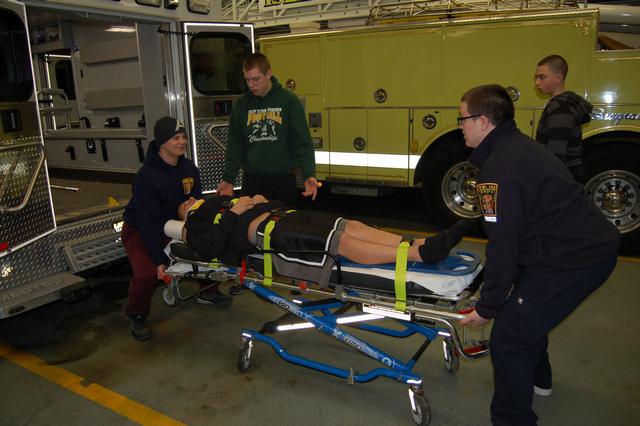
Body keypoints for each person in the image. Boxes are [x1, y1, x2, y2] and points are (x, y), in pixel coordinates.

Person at [457, 84, 619, 425]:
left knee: (510, 336)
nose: (460, 126)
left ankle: (511, 419)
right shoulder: (519, 147)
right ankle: (539, 380)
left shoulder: (497, 173)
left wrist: (487, 307)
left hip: (574, 259)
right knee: (528, 309)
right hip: (574, 246)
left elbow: (503, 244)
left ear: (483, 121)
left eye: (463, 119)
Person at [177, 195, 467, 287]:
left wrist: (259, 200)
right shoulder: (194, 223)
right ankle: (417, 256)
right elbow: (211, 248)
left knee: (350, 225)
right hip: (270, 234)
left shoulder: (217, 200)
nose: (189, 198)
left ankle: (417, 244)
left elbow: (268, 203)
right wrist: (234, 212)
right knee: (337, 241)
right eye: (184, 202)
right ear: (183, 212)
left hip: (285, 215)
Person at [122, 116, 203, 341]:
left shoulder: (189, 169)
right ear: (162, 143)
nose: (182, 142)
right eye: (175, 138)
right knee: (147, 275)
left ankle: (210, 292)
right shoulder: (146, 177)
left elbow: (196, 204)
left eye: (183, 137)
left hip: (172, 225)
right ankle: (137, 315)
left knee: (206, 249)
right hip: (140, 229)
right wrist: (159, 259)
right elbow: (147, 222)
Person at [216, 53, 318, 205]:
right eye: (247, 80)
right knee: (248, 226)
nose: (251, 85)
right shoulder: (241, 106)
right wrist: (228, 179)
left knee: (283, 226)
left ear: (268, 74)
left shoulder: (289, 101)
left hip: (282, 181)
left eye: (256, 79)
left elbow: (302, 142)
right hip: (252, 181)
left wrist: (309, 174)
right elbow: (235, 146)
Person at [534, 54, 593, 182]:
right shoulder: (564, 104)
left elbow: (557, 154)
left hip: (561, 176)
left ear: (558, 78)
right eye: (536, 78)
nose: (537, 82)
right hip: (568, 173)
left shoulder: (560, 108)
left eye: (542, 77)